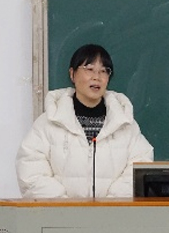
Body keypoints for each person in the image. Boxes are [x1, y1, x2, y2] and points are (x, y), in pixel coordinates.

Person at [16, 44, 154, 198]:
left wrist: (111, 204)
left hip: (114, 212)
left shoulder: (125, 124)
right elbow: (31, 171)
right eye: (89, 69)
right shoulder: (48, 123)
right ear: (72, 74)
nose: (97, 77)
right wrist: (66, 207)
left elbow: (141, 168)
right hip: (60, 213)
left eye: (104, 71)